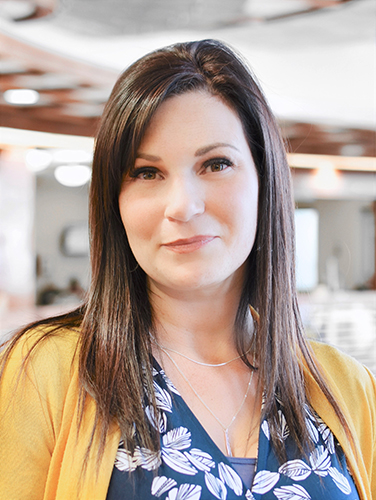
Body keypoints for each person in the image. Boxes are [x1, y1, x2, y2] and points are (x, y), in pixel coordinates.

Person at [0, 39, 375, 500]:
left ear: (264, 180)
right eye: (146, 172)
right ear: (114, 201)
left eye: (215, 164)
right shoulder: (47, 371)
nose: (183, 205)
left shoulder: (347, 388)